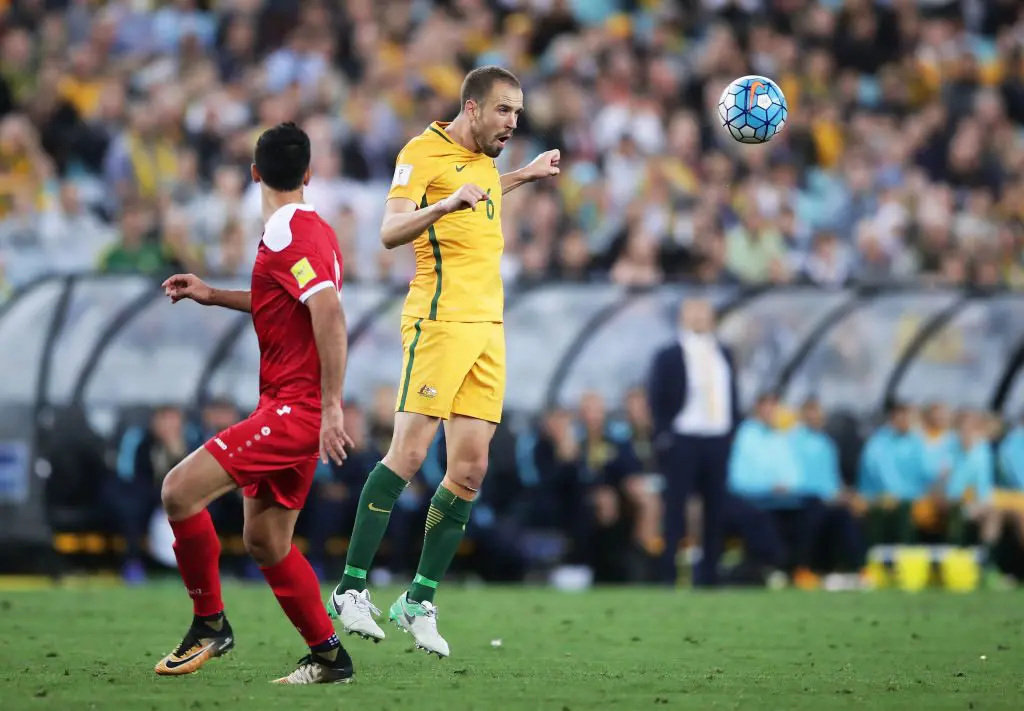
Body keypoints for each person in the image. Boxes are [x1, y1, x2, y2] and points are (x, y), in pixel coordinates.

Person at [326, 65, 560, 658]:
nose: (513, 122)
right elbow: (388, 231)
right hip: (440, 320)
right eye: (504, 109)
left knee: (471, 471)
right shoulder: (421, 152)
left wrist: (523, 176)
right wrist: (446, 204)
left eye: (518, 112)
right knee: (407, 455)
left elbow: (479, 192)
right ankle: (351, 588)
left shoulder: (484, 160)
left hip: (488, 327)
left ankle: (418, 600)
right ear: (472, 107)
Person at [155, 122, 356, 684]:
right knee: (267, 540)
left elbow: (328, 313)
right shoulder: (312, 229)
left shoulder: (289, 231)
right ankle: (329, 657)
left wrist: (331, 407)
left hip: (296, 411)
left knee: (178, 491)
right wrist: (211, 293)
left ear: (253, 174)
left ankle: (209, 624)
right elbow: (284, 300)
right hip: (290, 408)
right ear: (308, 174)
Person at [647, 299, 740, 587]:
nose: (700, 316)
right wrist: (665, 436)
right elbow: (657, 398)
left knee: (716, 507)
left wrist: (731, 431)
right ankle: (669, 573)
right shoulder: (670, 355)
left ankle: (709, 574)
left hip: (717, 438)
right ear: (682, 316)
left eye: (705, 311)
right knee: (676, 508)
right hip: (684, 437)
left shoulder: (723, 352)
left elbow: (731, 396)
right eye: (694, 311)